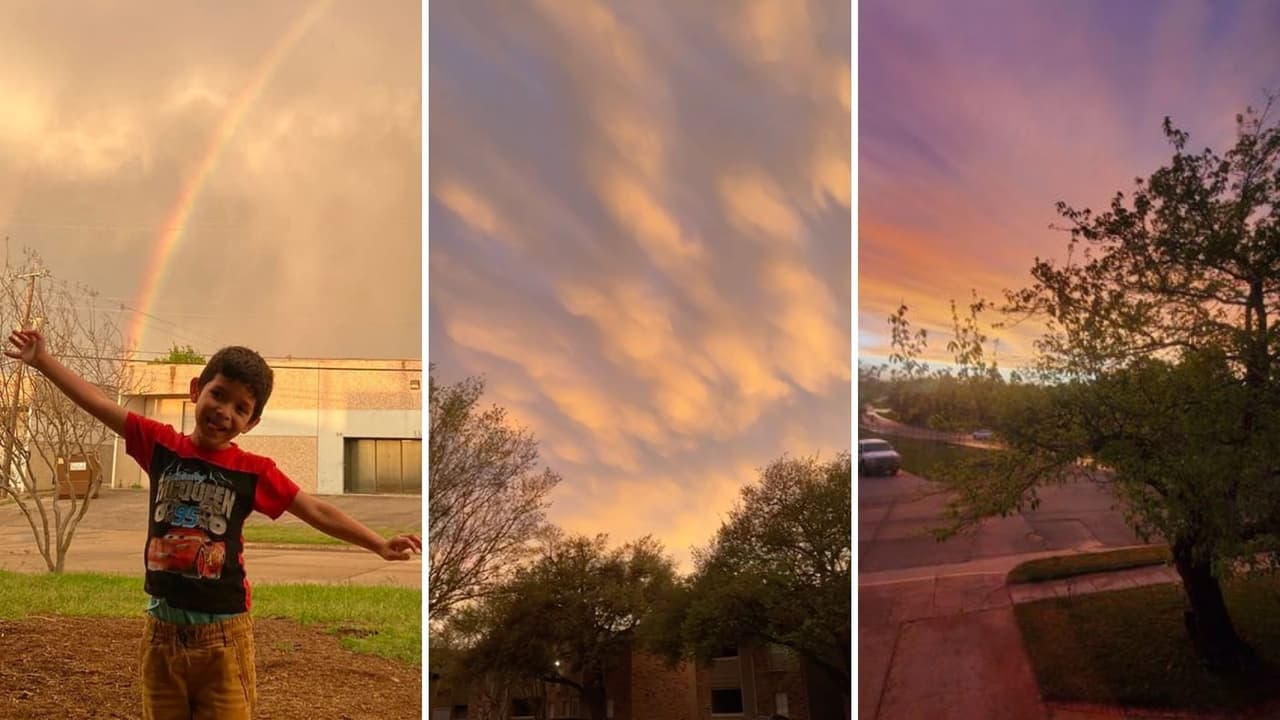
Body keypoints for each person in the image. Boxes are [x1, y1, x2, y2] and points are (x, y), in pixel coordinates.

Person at [5, 329, 422, 720]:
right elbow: (99, 404)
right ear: (196, 390)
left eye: (241, 408)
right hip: (161, 638)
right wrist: (43, 361)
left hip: (224, 639)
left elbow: (314, 510)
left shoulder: (252, 470)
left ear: (251, 423)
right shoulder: (161, 446)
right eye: (218, 395)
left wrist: (377, 543)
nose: (224, 412)